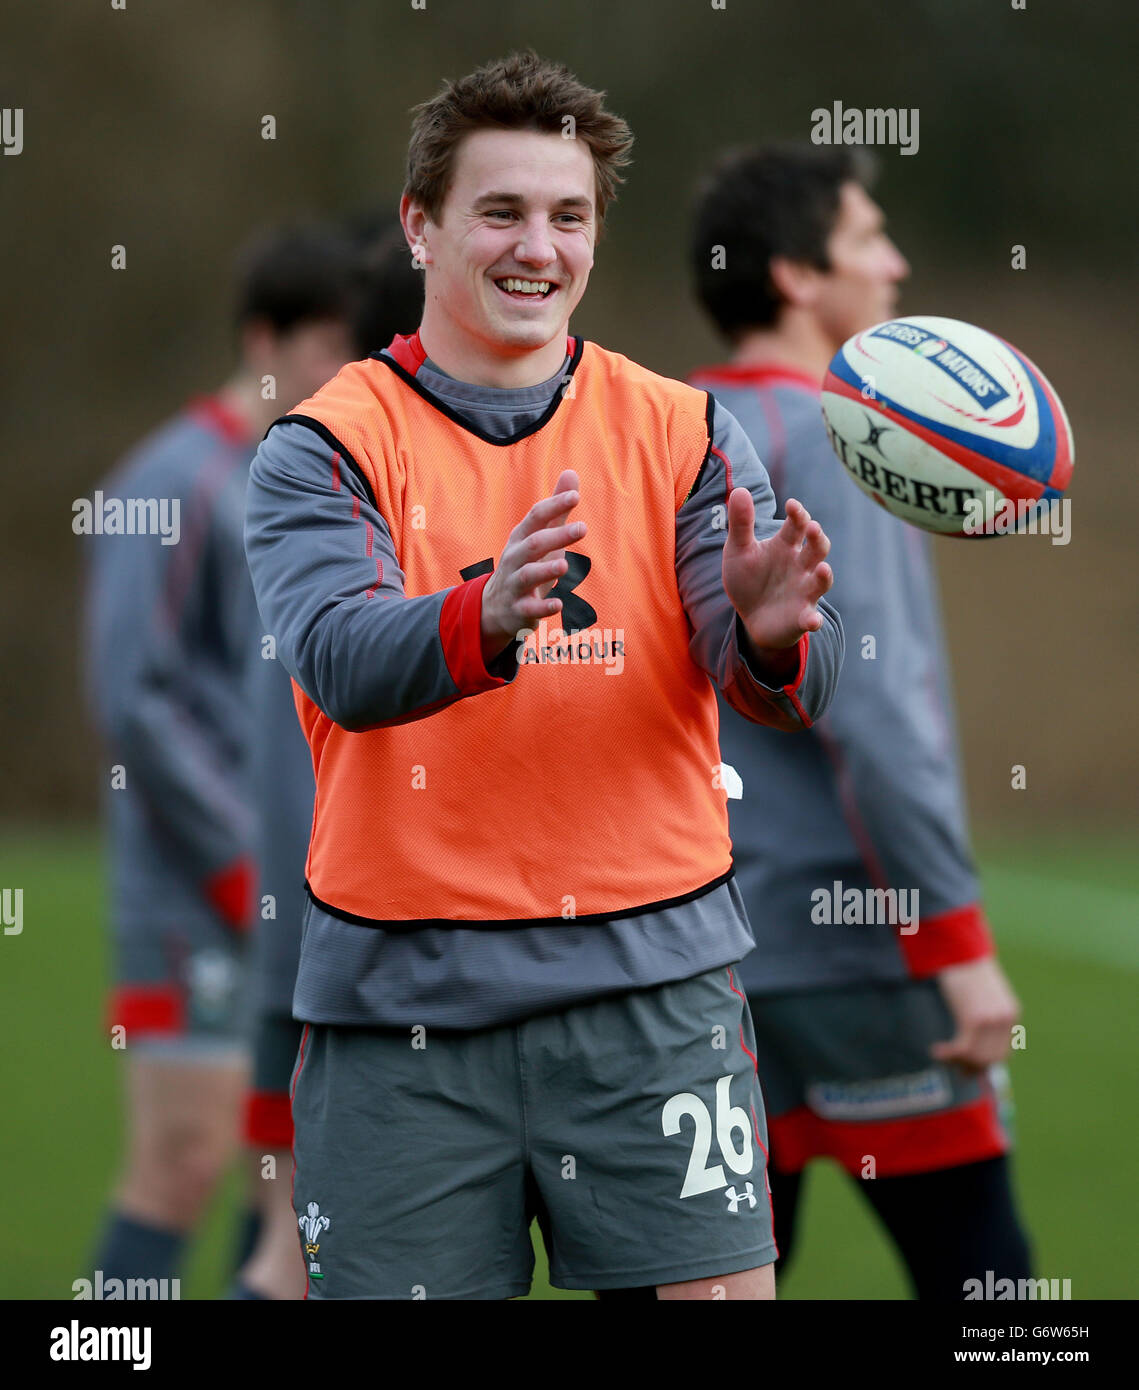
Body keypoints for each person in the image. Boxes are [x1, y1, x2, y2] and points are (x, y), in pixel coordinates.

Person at [244, 51, 844, 1302]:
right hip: (400, 1013)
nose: (539, 247)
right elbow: (343, 661)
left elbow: (772, 684)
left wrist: (773, 633)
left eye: (567, 216)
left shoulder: (681, 429)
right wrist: (484, 615)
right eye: (501, 211)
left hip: (652, 993)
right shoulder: (323, 445)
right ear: (421, 225)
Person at [688, 144, 1033, 1298]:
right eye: (866, 237)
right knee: (984, 1281)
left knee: (725, 1279)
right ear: (794, 275)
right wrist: (958, 946)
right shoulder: (848, 433)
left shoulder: (669, 431)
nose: (894, 262)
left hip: (701, 960)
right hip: (856, 954)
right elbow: (879, 718)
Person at [84, 221, 356, 1292]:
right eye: (326, 345)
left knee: (286, 1193)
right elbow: (134, 700)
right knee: (181, 1161)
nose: (344, 371)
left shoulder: (311, 479)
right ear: (264, 341)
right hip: (191, 898)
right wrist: (242, 866)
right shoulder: (172, 478)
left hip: (291, 896)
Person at [233, 222, 425, 1300]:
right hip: (345, 937)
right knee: (298, 1253)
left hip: (321, 930)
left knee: (291, 1247)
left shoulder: (301, 472)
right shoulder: (327, 480)